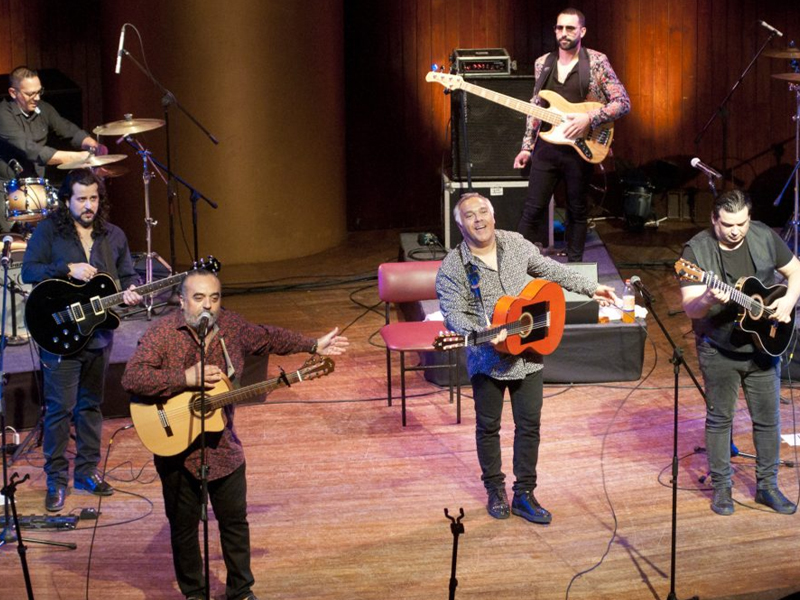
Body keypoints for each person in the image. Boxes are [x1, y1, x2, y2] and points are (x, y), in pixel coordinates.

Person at [121, 269, 349, 600]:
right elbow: (132, 377)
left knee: (235, 524)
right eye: (198, 298)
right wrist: (184, 377)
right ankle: (195, 593)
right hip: (175, 451)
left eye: (214, 298)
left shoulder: (231, 328)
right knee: (184, 529)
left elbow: (270, 337)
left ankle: (240, 591)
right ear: (182, 300)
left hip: (224, 448)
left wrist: (313, 344)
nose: (207, 307)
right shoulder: (162, 333)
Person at [436, 192, 617, 523]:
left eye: (482, 212)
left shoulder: (515, 244)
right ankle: (495, 490)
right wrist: (483, 330)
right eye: (469, 216)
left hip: (530, 351)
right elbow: (453, 314)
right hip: (487, 357)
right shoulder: (453, 267)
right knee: (488, 427)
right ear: (460, 225)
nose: (478, 219)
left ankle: (524, 494)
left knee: (529, 425)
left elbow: (550, 270)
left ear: (493, 217)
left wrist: (591, 288)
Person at [21, 168, 142, 512]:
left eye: (94, 198)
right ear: (67, 200)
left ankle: (87, 473)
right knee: (60, 410)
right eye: (81, 199)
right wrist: (65, 268)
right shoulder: (49, 231)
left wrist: (132, 291)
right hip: (59, 335)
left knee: (91, 407)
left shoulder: (114, 235)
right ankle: (56, 481)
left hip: (98, 336)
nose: (88, 206)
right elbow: (29, 270)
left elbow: (128, 275)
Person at [680, 189, 800, 516]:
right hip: (719, 348)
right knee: (720, 419)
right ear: (714, 220)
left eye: (742, 223)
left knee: (767, 420)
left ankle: (768, 487)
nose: (736, 231)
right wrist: (707, 298)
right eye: (728, 225)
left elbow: (795, 270)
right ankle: (722, 489)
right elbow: (691, 308)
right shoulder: (696, 252)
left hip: (764, 347)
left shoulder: (762, 234)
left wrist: (788, 302)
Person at [513, 8, 630, 262]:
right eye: (559, 28)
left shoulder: (597, 62)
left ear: (582, 31)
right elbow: (535, 108)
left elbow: (622, 102)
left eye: (570, 28)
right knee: (532, 209)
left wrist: (589, 118)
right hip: (547, 146)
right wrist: (526, 146)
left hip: (581, 148)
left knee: (577, 211)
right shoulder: (543, 63)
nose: (563, 34)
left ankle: (575, 270)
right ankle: (514, 266)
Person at [0, 65, 107, 181]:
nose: (37, 98)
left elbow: (67, 129)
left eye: (39, 91)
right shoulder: (3, 114)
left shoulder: (43, 108)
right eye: (30, 94)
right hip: (8, 187)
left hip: (38, 184)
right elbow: (30, 149)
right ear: (13, 93)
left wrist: (94, 146)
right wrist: (78, 157)